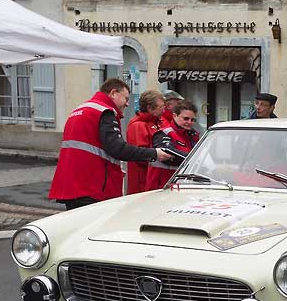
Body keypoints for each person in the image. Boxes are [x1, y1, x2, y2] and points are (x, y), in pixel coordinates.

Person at [49, 78, 172, 210]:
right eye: (125, 98)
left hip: (72, 185)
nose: (127, 104)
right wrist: (155, 153)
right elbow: (117, 148)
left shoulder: (81, 109)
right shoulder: (105, 111)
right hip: (91, 187)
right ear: (113, 93)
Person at [145, 100, 201, 191]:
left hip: (182, 187)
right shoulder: (163, 134)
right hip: (161, 188)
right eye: (186, 118)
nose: (189, 122)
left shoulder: (193, 136)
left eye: (193, 120)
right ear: (175, 116)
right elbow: (167, 151)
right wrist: (194, 159)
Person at [126, 89, 166, 195]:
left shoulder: (160, 122)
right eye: (161, 107)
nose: (164, 110)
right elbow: (140, 155)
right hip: (143, 183)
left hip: (158, 180)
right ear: (149, 108)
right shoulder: (138, 125)